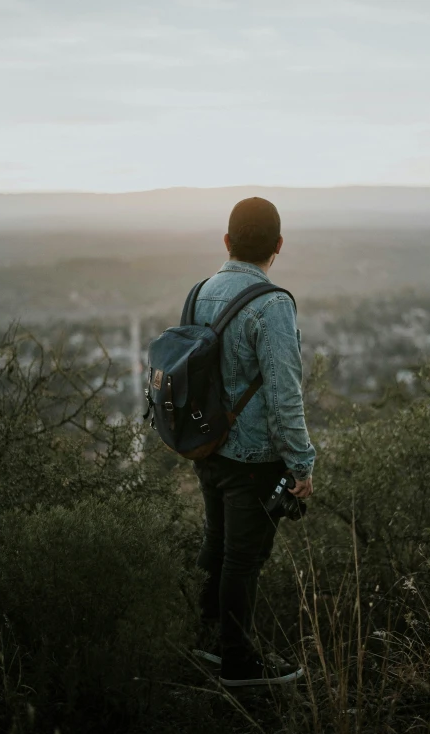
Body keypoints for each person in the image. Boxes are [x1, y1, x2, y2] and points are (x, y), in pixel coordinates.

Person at [191, 196, 316, 687]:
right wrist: (302, 465)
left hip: (208, 448)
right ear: (278, 246)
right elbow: (285, 396)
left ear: (227, 242)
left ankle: (206, 644)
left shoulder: (201, 292)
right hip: (253, 459)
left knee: (216, 547)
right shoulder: (272, 303)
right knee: (243, 561)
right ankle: (239, 664)